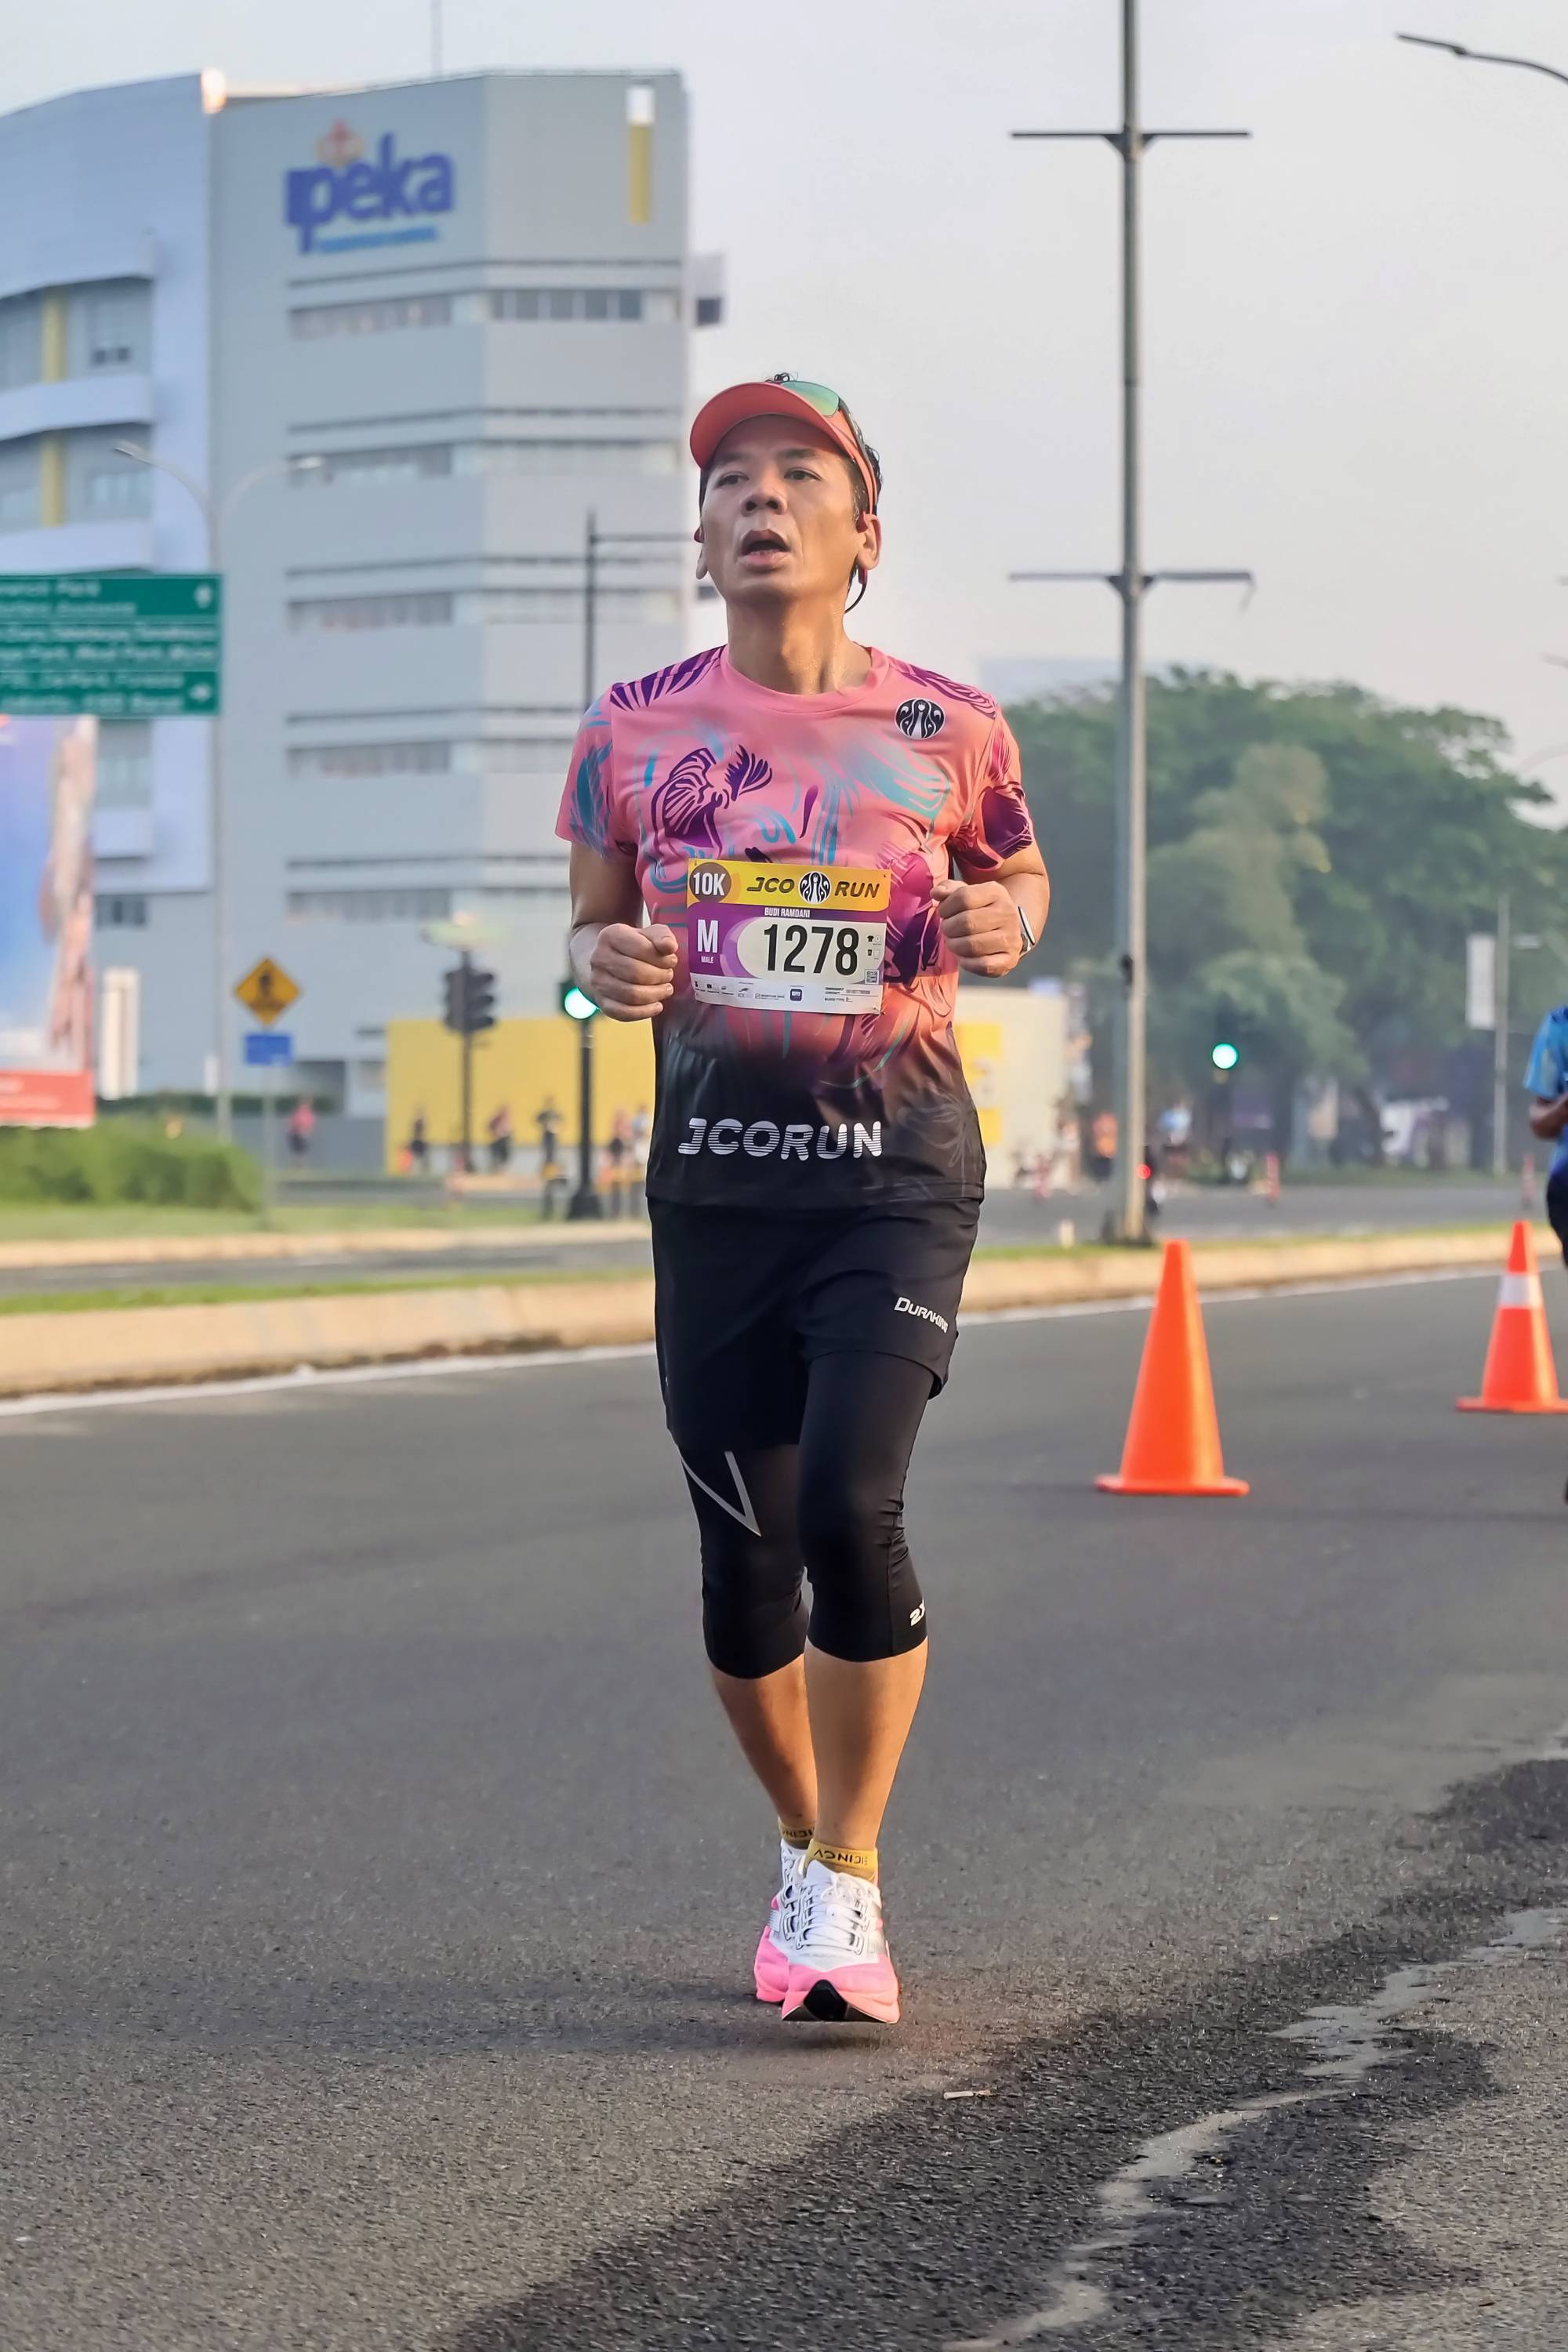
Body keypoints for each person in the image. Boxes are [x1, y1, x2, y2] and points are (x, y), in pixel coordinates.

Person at [559, 374, 1048, 2026]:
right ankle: (797, 1842)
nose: (759, 498)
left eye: (798, 474)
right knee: (747, 1557)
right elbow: (591, 919)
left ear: (864, 536)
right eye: (730, 481)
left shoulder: (949, 727)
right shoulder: (631, 727)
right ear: (701, 545)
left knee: (849, 1502)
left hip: (894, 1175)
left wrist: (1008, 919)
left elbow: (1014, 872)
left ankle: (848, 1876)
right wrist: (602, 962)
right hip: (716, 1189)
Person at [488, 1103, 514, 1174]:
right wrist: (494, 1133)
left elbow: (510, 1129)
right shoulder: (497, 1118)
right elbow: (490, 1126)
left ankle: (502, 1170)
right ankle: (497, 1169)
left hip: (505, 1139)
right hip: (498, 1139)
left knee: (505, 1155)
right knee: (498, 1154)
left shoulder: (507, 1119)